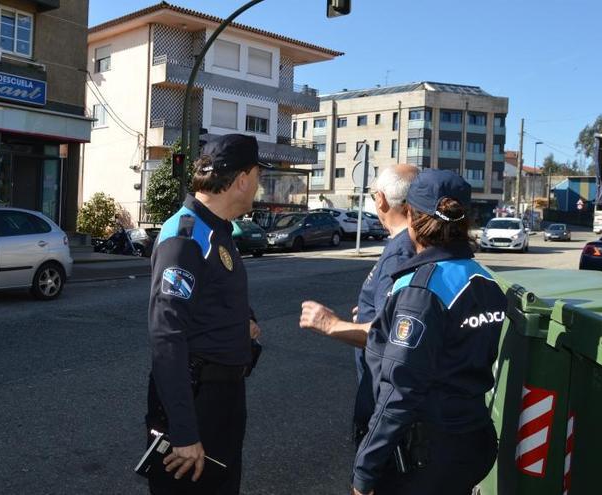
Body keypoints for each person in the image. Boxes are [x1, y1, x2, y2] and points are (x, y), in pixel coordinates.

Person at [350, 169, 506, 495]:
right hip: (473, 438)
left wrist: (365, 470)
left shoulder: (421, 288)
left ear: (411, 217)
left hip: (427, 456)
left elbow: (400, 392)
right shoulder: (485, 281)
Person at [145, 134, 270, 494]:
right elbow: (166, 336)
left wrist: (241, 320)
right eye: (258, 177)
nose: (258, 187)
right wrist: (184, 432)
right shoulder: (185, 237)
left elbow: (215, 291)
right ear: (243, 179)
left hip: (223, 396)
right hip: (196, 399)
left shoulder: (219, 231)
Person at [299, 164, 418, 445]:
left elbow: (392, 333)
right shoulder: (407, 244)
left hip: (383, 395)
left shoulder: (399, 252)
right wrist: (368, 312)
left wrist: (331, 325)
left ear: (381, 200)